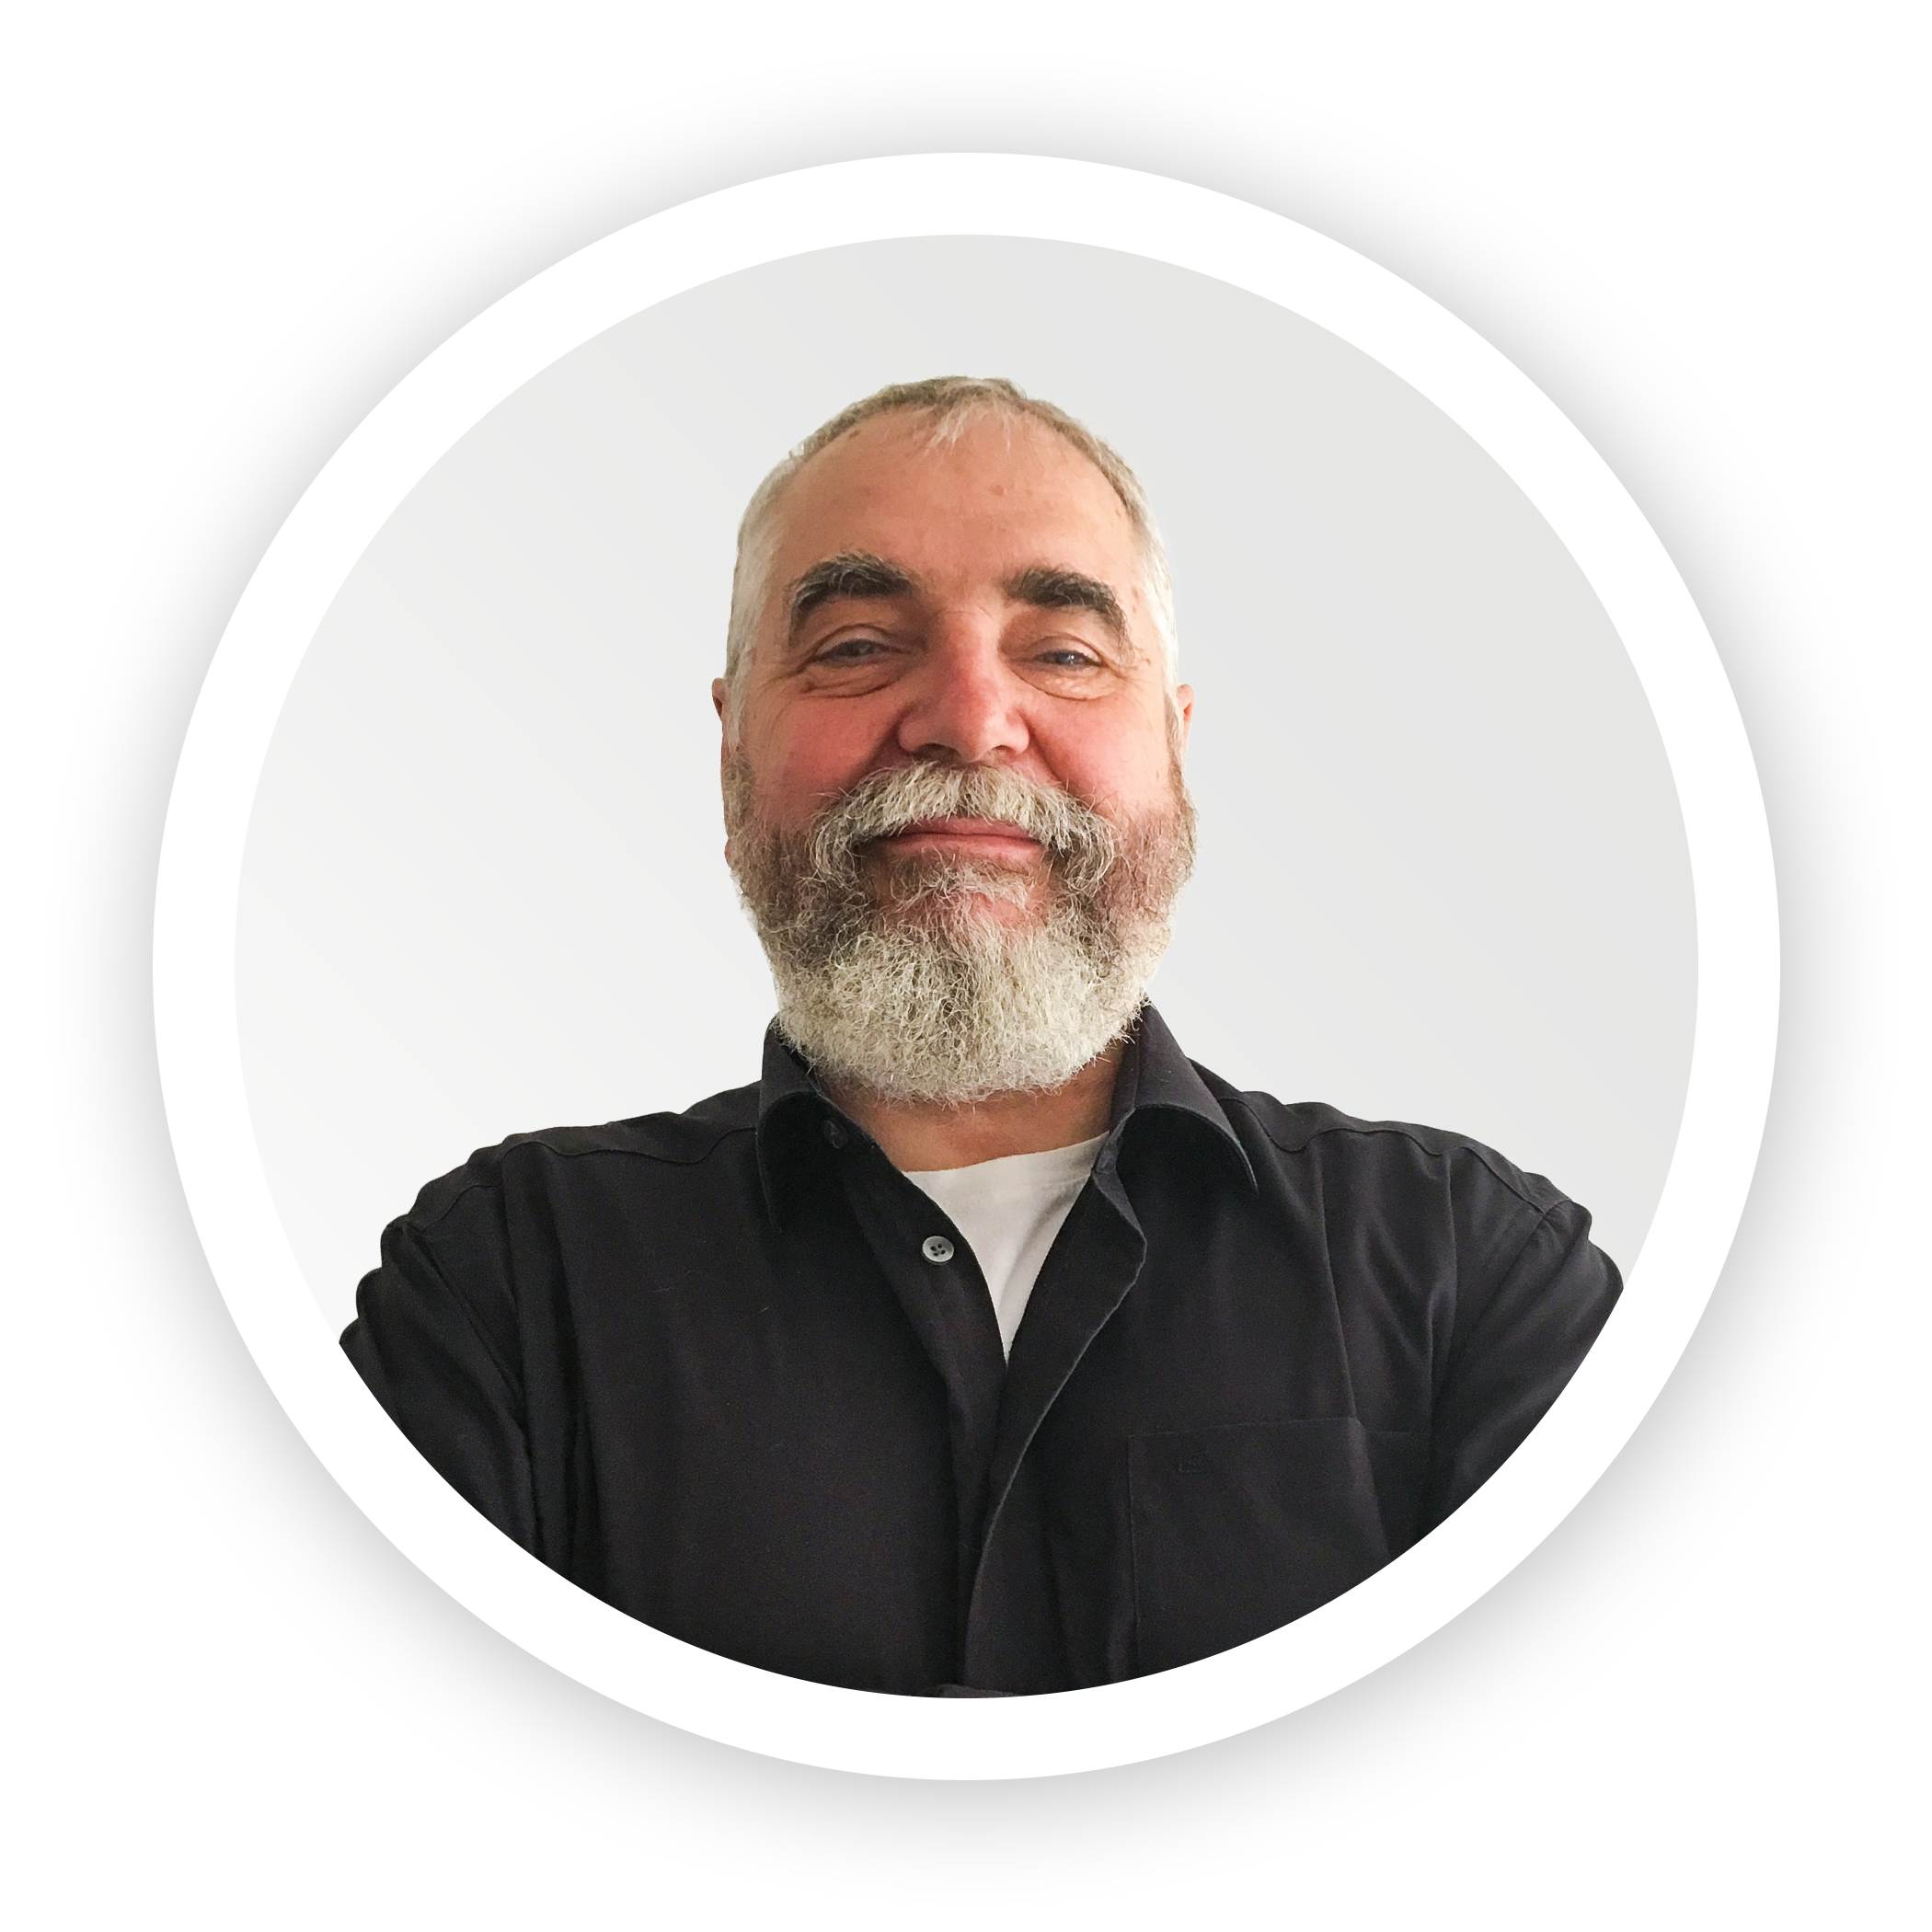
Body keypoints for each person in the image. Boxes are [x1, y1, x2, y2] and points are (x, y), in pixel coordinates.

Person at [238, 376, 1668, 1701]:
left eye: (1064, 651)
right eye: (859, 647)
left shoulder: (1479, 1273)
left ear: (1175, 747)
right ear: (732, 750)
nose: (972, 722)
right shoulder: (500, 1289)